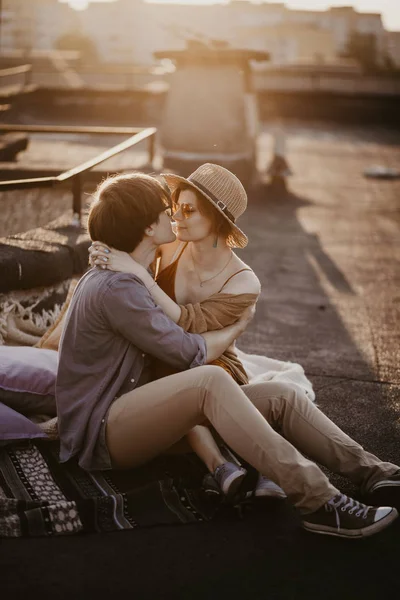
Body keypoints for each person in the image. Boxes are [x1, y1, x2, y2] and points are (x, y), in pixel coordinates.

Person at [59, 171, 400, 540]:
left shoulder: (133, 268)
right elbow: (189, 352)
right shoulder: (119, 287)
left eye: (182, 209)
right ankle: (318, 500)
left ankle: (375, 472)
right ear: (146, 227)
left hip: (138, 407)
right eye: (167, 209)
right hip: (103, 430)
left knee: (283, 395)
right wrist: (236, 329)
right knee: (209, 379)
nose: (173, 215)